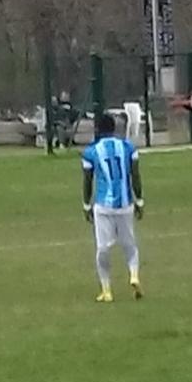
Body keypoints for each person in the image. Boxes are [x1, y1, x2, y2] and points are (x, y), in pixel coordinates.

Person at [80, 113, 143, 303]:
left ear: (97, 129)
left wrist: (85, 204)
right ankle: (134, 275)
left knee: (103, 248)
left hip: (103, 205)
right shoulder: (127, 146)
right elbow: (136, 175)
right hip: (125, 205)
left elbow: (87, 180)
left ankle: (106, 290)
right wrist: (139, 200)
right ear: (114, 128)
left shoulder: (91, 151)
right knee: (130, 246)